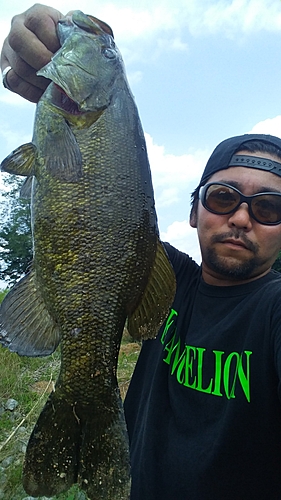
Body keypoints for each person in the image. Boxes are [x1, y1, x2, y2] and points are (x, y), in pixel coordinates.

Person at [2, 5, 281, 499]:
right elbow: (102, 213)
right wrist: (41, 32)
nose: (241, 217)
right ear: (194, 212)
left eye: (268, 206)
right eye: (222, 197)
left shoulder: (272, 311)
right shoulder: (165, 278)